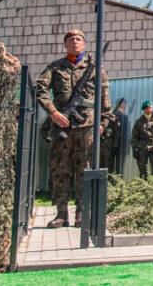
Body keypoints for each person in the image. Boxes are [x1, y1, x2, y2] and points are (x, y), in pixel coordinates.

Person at [35, 29, 112, 228]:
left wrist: (102, 125)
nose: (75, 42)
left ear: (84, 45)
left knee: (84, 171)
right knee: (60, 170)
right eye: (71, 39)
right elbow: (40, 88)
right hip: (62, 126)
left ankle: (81, 213)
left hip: (87, 127)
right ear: (65, 44)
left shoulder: (95, 69)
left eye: (79, 39)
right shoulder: (55, 67)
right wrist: (53, 112)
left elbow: (104, 99)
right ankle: (61, 214)